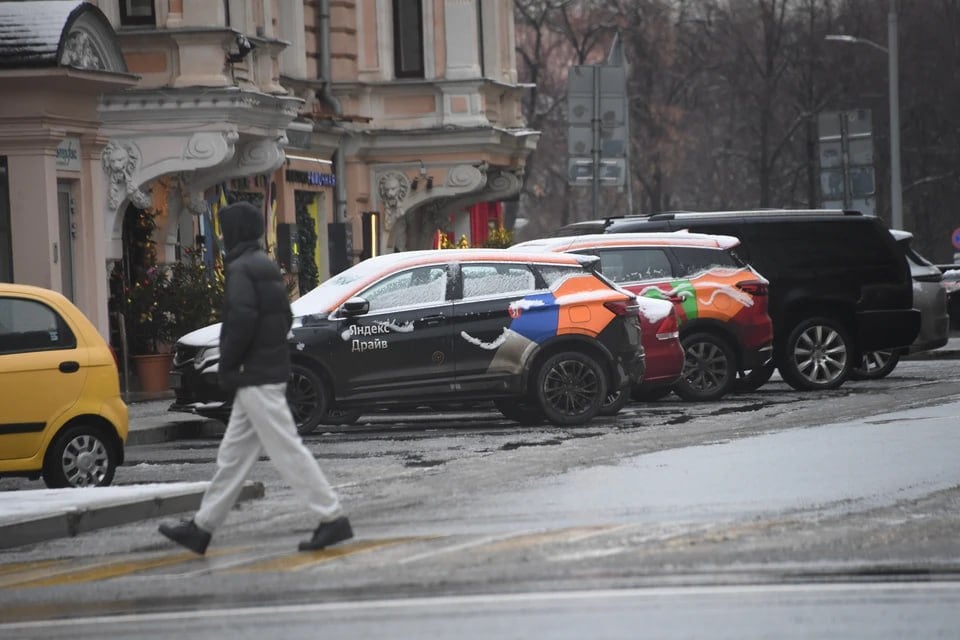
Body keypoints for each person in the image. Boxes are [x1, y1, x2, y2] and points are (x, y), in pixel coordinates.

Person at [159, 200, 352, 554]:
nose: (221, 235)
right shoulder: (262, 265)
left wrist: (230, 365)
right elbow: (282, 320)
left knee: (286, 450)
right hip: (265, 371)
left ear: (234, 233)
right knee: (233, 457)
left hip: (256, 376)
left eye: (224, 229)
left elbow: (240, 323)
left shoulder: (242, 269)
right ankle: (202, 528)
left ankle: (332, 517)